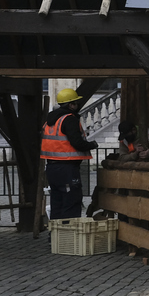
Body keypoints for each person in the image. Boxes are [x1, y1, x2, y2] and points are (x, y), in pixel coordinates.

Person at [41, 87, 99, 220]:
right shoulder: (69, 119)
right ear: (71, 104)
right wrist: (92, 145)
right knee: (71, 204)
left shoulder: (50, 121)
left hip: (52, 168)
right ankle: (69, 238)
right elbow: (77, 142)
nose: (77, 106)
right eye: (76, 103)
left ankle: (55, 238)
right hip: (67, 169)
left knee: (57, 203)